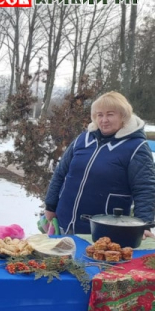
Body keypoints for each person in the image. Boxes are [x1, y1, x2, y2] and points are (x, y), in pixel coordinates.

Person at [44, 91, 155, 235]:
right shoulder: (83, 139)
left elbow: (145, 188)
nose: (104, 120)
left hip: (104, 229)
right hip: (65, 221)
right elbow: (60, 173)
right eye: (99, 115)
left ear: (123, 116)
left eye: (110, 114)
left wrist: (143, 224)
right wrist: (50, 205)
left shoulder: (136, 147)